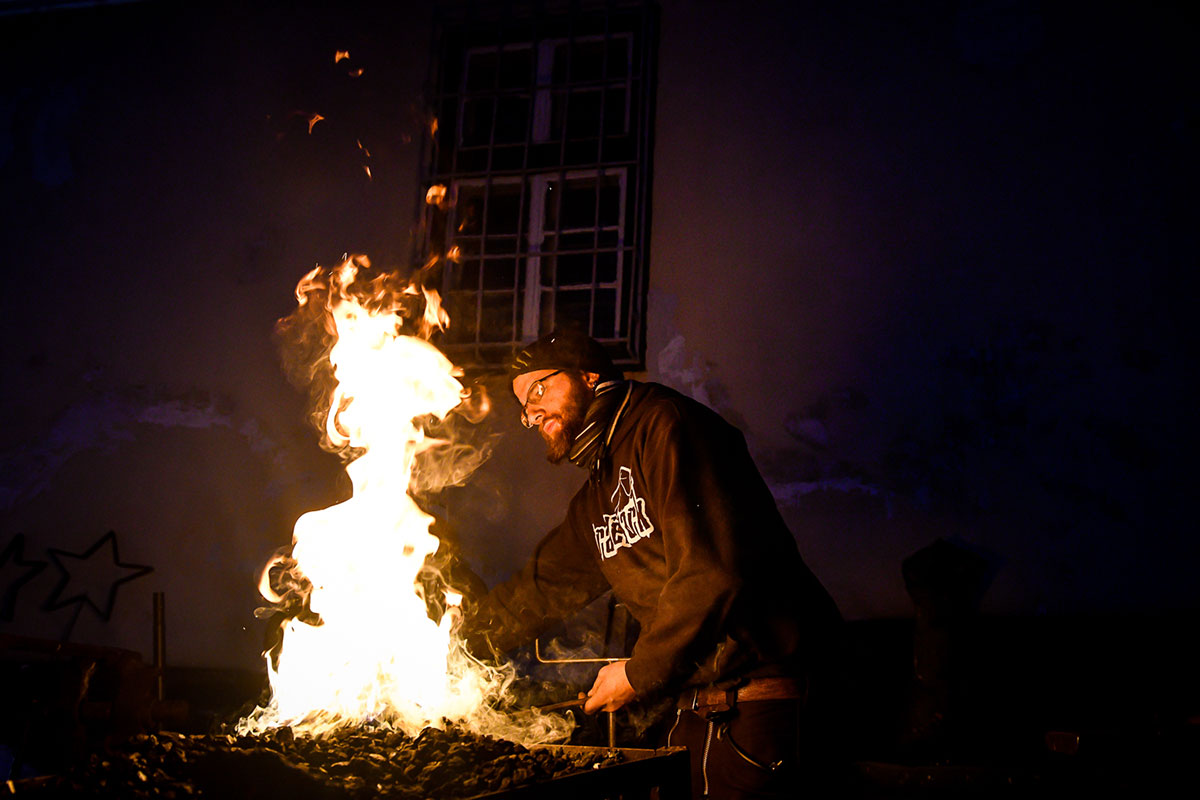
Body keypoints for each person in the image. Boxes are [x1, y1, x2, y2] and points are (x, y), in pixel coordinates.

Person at [462, 328, 843, 798]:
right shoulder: (597, 495)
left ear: (589, 375)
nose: (531, 411)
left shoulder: (667, 427)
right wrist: (459, 644)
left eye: (539, 389)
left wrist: (637, 673)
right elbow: (541, 588)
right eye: (523, 406)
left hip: (765, 706)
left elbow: (711, 573)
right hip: (696, 709)